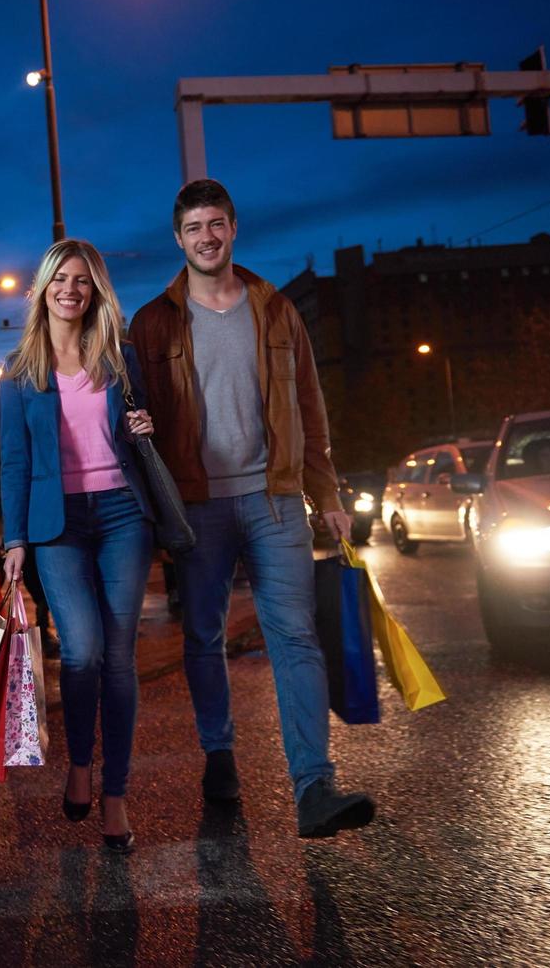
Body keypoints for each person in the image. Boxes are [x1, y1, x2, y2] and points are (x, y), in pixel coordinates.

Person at [129, 179, 375, 838]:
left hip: (274, 496)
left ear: (233, 228)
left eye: (215, 224)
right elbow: (130, 419)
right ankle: (218, 753)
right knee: (203, 636)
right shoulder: (153, 321)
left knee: (294, 634)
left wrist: (327, 495)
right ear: (178, 239)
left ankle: (313, 786)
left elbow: (310, 405)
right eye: (193, 229)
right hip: (197, 506)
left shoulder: (275, 309)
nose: (206, 237)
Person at [0, 239, 156, 854]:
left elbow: (141, 427)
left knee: (119, 658)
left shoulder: (120, 359)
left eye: (83, 281)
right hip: (56, 526)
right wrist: (14, 540)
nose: (71, 289)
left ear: (95, 292)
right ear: (43, 289)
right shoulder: (20, 372)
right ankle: (80, 762)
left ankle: (114, 794)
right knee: (83, 649)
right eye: (60, 279)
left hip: (122, 514)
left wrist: (144, 427)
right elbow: (14, 463)